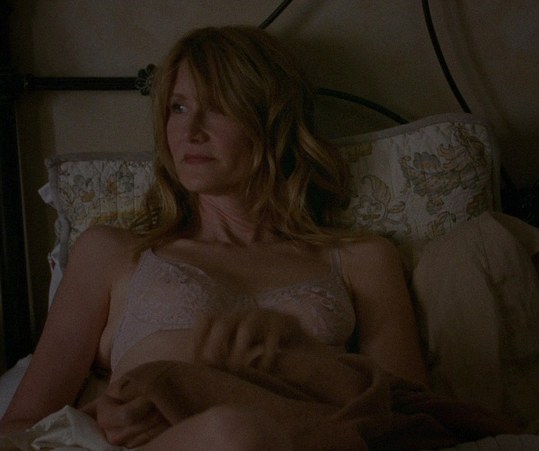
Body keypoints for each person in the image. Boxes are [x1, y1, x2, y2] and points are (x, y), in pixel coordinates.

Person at [0, 25, 431, 449]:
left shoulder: (362, 259)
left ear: (272, 122)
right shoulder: (110, 253)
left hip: (311, 439)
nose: (190, 131)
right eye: (178, 108)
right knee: (233, 433)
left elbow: (412, 423)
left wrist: (302, 359)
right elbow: (20, 428)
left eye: (218, 107)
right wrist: (101, 418)